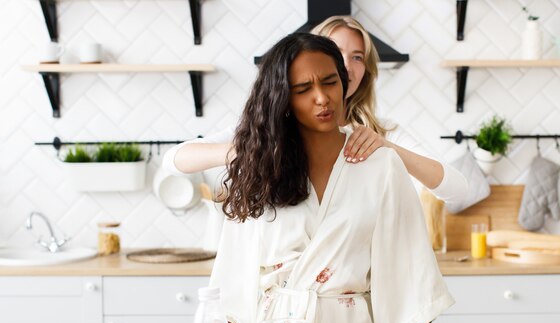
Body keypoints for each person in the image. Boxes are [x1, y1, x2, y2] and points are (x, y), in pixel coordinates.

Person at [208, 32, 454, 323]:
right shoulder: (259, 169)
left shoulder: (381, 165)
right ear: (282, 98)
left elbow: (412, 268)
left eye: (330, 82)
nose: (322, 98)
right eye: (303, 89)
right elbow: (231, 279)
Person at [162, 16, 468, 204]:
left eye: (358, 57)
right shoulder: (271, 128)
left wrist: (386, 147)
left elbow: (458, 191)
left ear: (367, 70)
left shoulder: (382, 132)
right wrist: (253, 150)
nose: (346, 66)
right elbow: (174, 160)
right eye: (336, 53)